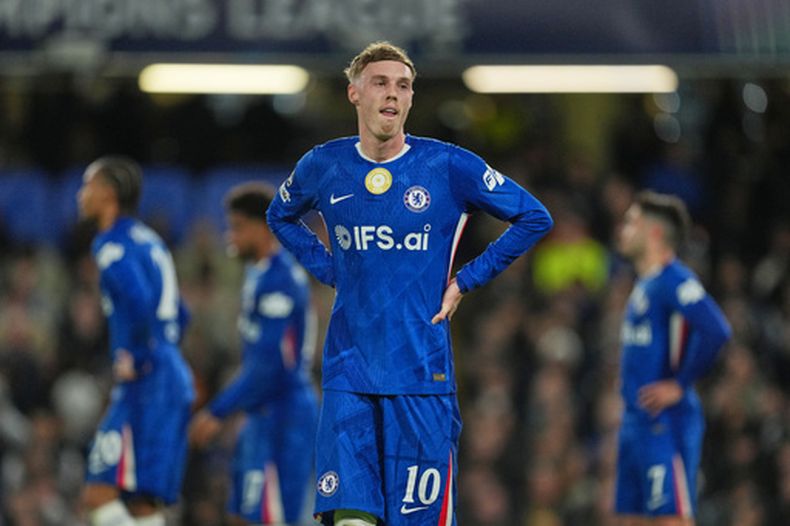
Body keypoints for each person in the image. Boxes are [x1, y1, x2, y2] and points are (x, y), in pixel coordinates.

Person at [266, 41, 553, 526]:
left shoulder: (446, 165)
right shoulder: (324, 165)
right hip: (348, 377)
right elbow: (280, 214)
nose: (392, 94)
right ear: (354, 93)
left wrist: (466, 279)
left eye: (403, 86)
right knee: (350, 520)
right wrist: (328, 269)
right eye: (380, 83)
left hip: (421, 380)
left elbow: (534, 216)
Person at [189, 182, 319, 525]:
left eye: (238, 228)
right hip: (261, 413)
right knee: (241, 516)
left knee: (269, 518)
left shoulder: (281, 280)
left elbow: (269, 367)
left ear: (264, 229)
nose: (230, 236)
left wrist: (218, 410)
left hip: (284, 414)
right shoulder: (257, 274)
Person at [77, 156, 195, 526]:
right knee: (143, 502)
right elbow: (180, 312)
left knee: (98, 492)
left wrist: (141, 358)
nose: (81, 195)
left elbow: (140, 300)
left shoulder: (110, 244)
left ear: (108, 194)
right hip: (171, 374)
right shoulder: (149, 240)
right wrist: (162, 350)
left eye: (88, 186)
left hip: (147, 381)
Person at [614, 191, 732, 526]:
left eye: (631, 222)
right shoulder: (644, 285)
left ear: (654, 233)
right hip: (635, 423)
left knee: (671, 519)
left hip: (665, 423)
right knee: (629, 519)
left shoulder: (674, 280)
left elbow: (717, 329)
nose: (622, 230)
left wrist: (680, 384)